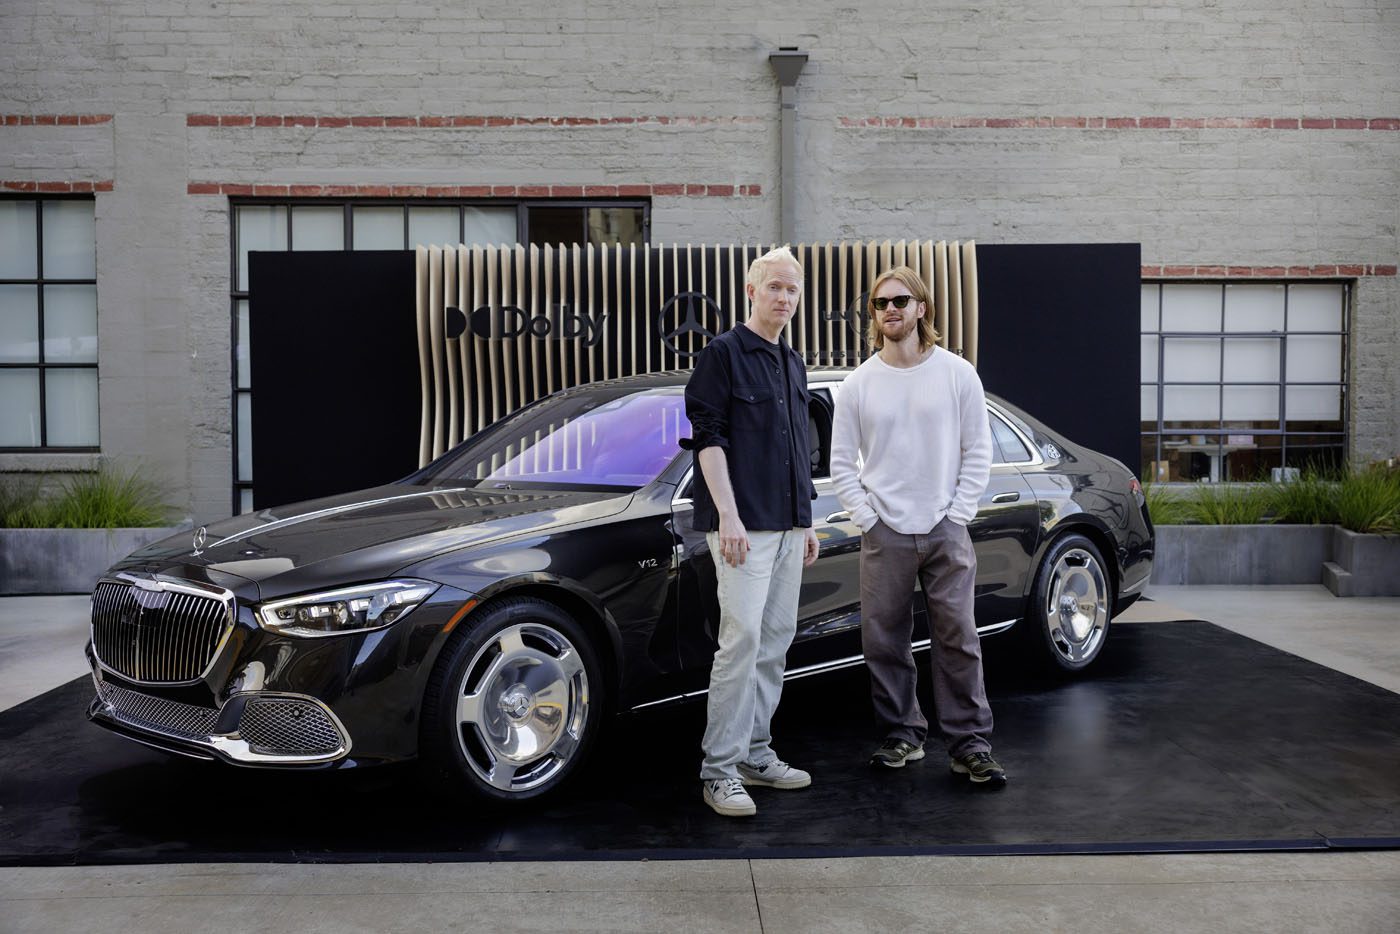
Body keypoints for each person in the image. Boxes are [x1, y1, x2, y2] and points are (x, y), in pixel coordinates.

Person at [829, 265, 1006, 784]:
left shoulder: (956, 373)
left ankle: (970, 744)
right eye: (880, 304)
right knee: (883, 639)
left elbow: (978, 451)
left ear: (922, 308)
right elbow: (842, 463)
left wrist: (957, 515)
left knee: (958, 638)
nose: (890, 310)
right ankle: (902, 733)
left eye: (900, 301)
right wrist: (869, 520)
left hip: (944, 528)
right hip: (885, 532)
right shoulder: (859, 384)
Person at [682, 246, 821, 817]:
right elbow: (708, 440)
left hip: (788, 527)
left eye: (792, 290)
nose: (784, 298)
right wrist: (730, 516)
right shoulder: (723, 355)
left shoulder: (792, 362)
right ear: (751, 291)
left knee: (774, 643)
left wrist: (806, 522)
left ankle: (754, 754)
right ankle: (718, 770)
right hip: (743, 528)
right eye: (775, 288)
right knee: (739, 645)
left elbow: (796, 451)